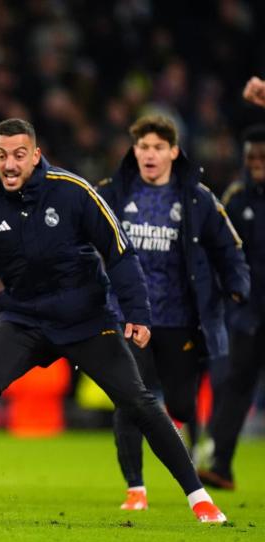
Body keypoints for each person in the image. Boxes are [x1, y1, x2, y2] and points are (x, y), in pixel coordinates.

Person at [0, 118, 228, 523]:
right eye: (2, 155)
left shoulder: (74, 192)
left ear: (36, 155)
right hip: (25, 321)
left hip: (87, 320)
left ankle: (198, 497)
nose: (10, 164)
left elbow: (119, 252)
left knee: (138, 401)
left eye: (19, 155)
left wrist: (137, 312)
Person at [97, 115, 249, 510]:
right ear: (135, 151)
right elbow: (79, 239)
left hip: (179, 318)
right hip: (126, 315)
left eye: (158, 147)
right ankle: (135, 488)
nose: (150, 154)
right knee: (130, 398)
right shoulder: (112, 194)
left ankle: (187, 441)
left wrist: (237, 284)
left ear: (173, 152)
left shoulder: (196, 198)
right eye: (143, 147)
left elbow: (227, 247)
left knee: (181, 403)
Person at [199, 124, 265, 490]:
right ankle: (220, 464)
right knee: (235, 386)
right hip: (248, 312)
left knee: (236, 387)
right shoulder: (237, 199)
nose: (256, 163)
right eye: (251, 157)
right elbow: (220, 253)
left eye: (262, 157)